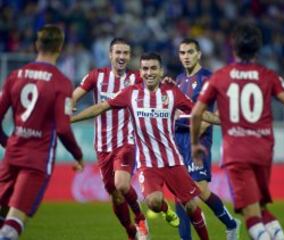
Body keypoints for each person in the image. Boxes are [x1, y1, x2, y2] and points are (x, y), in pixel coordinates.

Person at [190, 24, 284, 240]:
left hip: (236, 153)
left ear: (233, 48)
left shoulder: (220, 77)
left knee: (250, 214)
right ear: (258, 50)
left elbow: (196, 114)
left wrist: (194, 144)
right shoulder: (268, 76)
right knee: (260, 207)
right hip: (263, 150)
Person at [71, 52, 220, 240]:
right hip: (148, 164)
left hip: (172, 160)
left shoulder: (172, 93)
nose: (149, 72)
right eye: (146, 68)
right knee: (154, 203)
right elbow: (101, 107)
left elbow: (199, 112)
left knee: (191, 206)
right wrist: (72, 119)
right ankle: (165, 208)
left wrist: (223, 121)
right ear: (141, 71)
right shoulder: (131, 93)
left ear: (161, 71)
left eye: (153, 68)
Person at [0, 25, 84, 240]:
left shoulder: (15, 75)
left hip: (10, 157)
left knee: (3, 217)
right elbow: (63, 128)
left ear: (37, 45)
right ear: (60, 47)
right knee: (10, 229)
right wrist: (78, 155)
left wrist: (7, 143)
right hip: (36, 161)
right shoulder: (61, 82)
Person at [71, 38, 149, 240]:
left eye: (125, 53)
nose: (122, 57)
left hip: (127, 142)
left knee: (122, 185)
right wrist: (68, 104)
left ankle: (140, 218)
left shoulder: (137, 78)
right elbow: (75, 94)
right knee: (115, 194)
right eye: (118, 53)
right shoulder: (97, 76)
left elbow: (157, 82)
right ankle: (130, 231)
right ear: (110, 55)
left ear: (130, 56)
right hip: (103, 145)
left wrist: (166, 81)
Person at [174, 38, 239, 240]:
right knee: (180, 194)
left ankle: (231, 223)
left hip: (199, 140)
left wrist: (204, 126)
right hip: (178, 138)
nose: (186, 56)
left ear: (199, 54)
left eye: (190, 52)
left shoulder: (209, 78)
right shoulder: (178, 79)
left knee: (200, 191)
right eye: (183, 53)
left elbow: (219, 110)